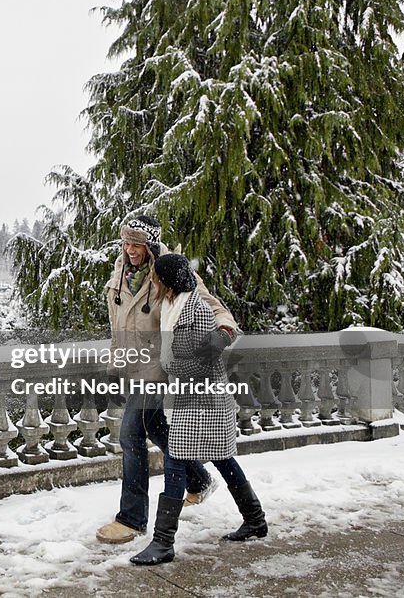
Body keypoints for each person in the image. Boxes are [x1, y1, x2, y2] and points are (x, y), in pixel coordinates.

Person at [96, 216, 239, 544]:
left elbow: (208, 302)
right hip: (134, 366)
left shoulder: (170, 269)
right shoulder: (120, 271)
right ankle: (199, 479)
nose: (131, 250)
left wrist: (224, 331)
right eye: (127, 242)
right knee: (156, 427)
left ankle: (132, 518)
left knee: (130, 434)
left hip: (160, 368)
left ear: (152, 244)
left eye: (138, 243)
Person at [130, 253, 268, 565]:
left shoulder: (195, 310)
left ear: (167, 281)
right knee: (223, 458)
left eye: (156, 275)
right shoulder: (173, 305)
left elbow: (203, 362)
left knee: (176, 462)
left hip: (201, 402)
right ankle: (256, 520)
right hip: (194, 400)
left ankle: (163, 542)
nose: (152, 279)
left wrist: (169, 364)